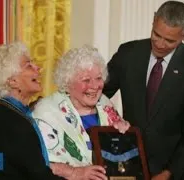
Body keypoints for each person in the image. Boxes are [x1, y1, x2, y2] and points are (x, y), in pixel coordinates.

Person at [103, 1, 184, 180]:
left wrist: (169, 172)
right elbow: (99, 93)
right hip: (129, 164)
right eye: (156, 35)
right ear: (154, 20)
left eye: (170, 40)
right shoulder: (128, 54)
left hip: (173, 171)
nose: (160, 44)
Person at [32, 45, 130, 180]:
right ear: (67, 82)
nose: (95, 86)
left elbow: (123, 159)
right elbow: (37, 164)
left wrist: (126, 134)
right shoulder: (47, 111)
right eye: (86, 80)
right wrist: (75, 172)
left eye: (98, 78)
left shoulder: (105, 103)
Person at [0, 42, 62, 180]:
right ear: (13, 82)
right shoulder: (14, 123)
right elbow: (39, 176)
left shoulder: (7, 112)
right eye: (29, 66)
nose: (38, 68)